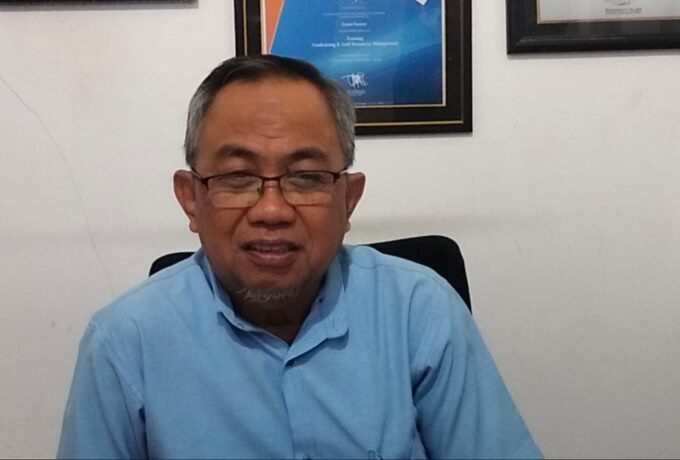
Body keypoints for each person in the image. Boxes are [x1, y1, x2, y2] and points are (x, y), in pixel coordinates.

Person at [57, 54, 541, 459]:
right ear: (190, 200)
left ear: (348, 200)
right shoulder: (124, 341)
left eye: (306, 177)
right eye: (237, 177)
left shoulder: (420, 310)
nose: (271, 211)